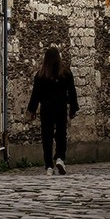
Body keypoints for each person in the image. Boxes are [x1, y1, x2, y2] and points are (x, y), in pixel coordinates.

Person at [27, 46, 79, 175]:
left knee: (47, 136)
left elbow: (36, 94)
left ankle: (49, 165)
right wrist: (73, 108)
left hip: (47, 108)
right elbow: (72, 92)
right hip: (60, 107)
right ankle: (60, 157)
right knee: (61, 133)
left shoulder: (40, 75)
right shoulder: (66, 73)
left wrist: (32, 110)